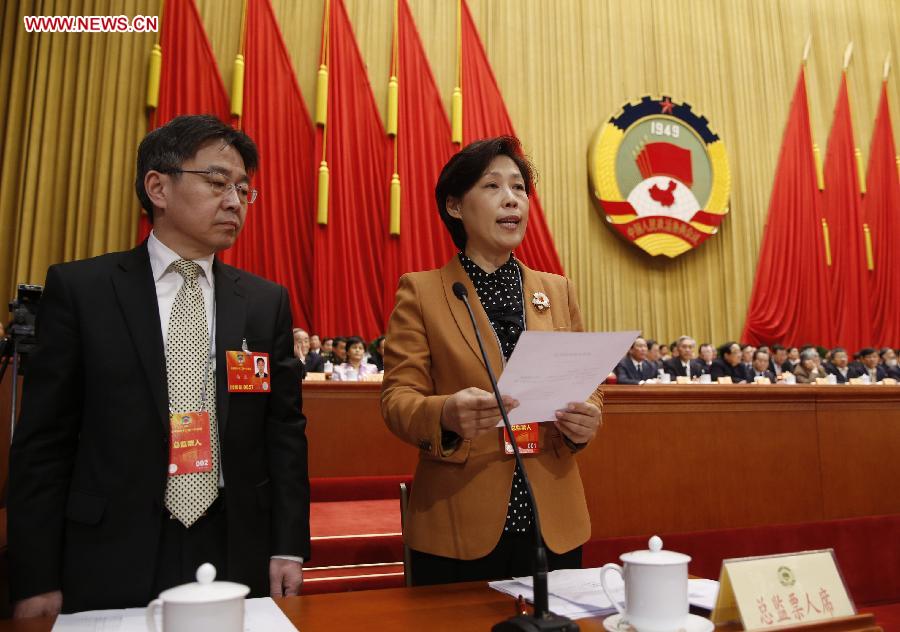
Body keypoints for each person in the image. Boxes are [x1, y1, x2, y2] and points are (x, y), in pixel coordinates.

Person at [7, 115, 310, 617]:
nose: (234, 201)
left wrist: (288, 544)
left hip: (234, 541)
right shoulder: (84, 291)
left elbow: (284, 432)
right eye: (217, 182)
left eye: (244, 189)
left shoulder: (263, 302)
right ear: (158, 187)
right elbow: (43, 443)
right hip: (110, 545)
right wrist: (36, 575)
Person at [381, 137, 602, 586]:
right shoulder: (422, 292)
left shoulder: (557, 290)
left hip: (552, 519)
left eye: (519, 188)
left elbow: (587, 382)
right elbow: (398, 398)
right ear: (455, 206)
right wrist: (444, 413)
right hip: (460, 520)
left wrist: (589, 415)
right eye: (493, 186)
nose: (511, 199)